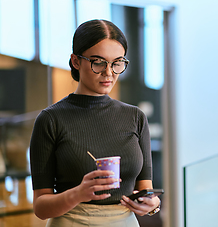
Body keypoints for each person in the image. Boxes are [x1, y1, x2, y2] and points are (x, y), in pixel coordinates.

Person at [29, 19, 161, 227]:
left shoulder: (135, 117)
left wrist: (151, 205)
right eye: (98, 62)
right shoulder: (51, 119)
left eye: (117, 63)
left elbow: (145, 189)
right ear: (76, 61)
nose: (109, 73)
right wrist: (77, 194)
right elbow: (40, 207)